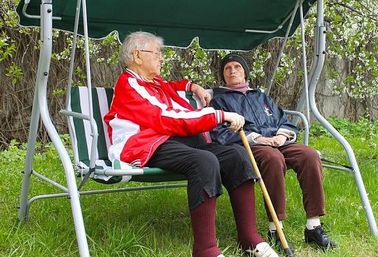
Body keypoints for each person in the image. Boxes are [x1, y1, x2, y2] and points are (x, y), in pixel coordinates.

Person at [104, 32, 280, 257]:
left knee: (237, 155)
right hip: (146, 143)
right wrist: (217, 116)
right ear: (138, 56)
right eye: (157, 53)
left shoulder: (155, 83)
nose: (162, 58)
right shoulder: (129, 85)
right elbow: (165, 118)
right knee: (204, 161)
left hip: (174, 140)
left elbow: (173, 88)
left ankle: (249, 238)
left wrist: (192, 86)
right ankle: (206, 250)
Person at [210, 53, 337, 251]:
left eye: (237, 67)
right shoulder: (219, 100)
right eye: (227, 68)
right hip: (250, 145)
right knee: (273, 158)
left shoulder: (261, 97)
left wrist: (282, 136)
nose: (232, 71)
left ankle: (313, 226)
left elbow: (284, 120)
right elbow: (219, 133)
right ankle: (275, 228)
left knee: (309, 155)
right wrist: (258, 139)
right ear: (223, 75)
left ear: (245, 72)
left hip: (278, 141)